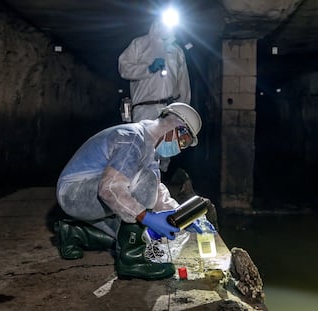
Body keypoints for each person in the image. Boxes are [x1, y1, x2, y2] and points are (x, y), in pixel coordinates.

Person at [54, 103, 214, 281]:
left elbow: (156, 192)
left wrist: (183, 218)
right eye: (184, 141)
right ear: (176, 126)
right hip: (74, 193)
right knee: (140, 202)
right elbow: (110, 188)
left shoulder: (149, 146)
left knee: (133, 237)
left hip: (87, 190)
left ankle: (74, 232)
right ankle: (132, 261)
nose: (181, 148)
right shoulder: (133, 139)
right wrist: (147, 217)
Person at [118, 18, 191, 123]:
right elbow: (124, 68)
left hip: (170, 111)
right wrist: (147, 69)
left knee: (168, 139)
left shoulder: (177, 51)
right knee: (146, 139)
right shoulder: (139, 44)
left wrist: (183, 113)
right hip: (143, 110)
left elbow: (183, 85)